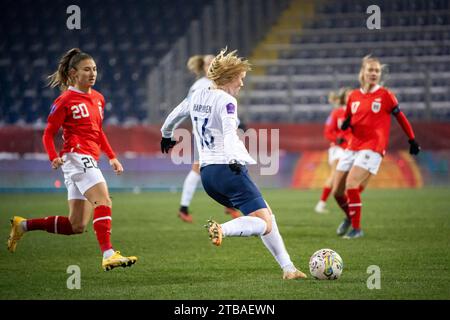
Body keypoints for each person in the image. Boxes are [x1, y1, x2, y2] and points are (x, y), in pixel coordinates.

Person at [160, 48, 307, 280]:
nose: (242, 84)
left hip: (208, 176)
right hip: (228, 169)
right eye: (240, 78)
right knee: (264, 223)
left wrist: (166, 134)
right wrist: (232, 158)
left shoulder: (197, 94)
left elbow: (175, 114)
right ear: (229, 78)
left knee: (267, 216)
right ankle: (222, 229)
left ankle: (288, 269)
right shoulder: (227, 101)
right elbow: (229, 132)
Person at [7, 48, 137, 271]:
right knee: (104, 201)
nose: (93, 73)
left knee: (76, 225)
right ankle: (108, 254)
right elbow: (48, 133)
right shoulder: (65, 100)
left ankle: (23, 225)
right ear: (74, 73)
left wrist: (112, 157)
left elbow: (98, 131)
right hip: (76, 157)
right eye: (87, 69)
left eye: (95, 69)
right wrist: (53, 156)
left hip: (89, 158)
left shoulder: (98, 99)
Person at [332, 55, 421, 239]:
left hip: (373, 147)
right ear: (363, 73)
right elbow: (348, 118)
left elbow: (401, 118)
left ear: (380, 74)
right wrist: (346, 126)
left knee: (352, 184)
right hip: (353, 146)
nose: (374, 73)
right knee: (337, 192)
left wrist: (412, 139)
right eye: (370, 70)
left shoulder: (386, 95)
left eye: (377, 70)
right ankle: (350, 217)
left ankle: (357, 229)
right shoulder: (354, 96)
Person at [178, 54, 240, 223]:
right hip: (207, 135)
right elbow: (189, 108)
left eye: (214, 62)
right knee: (199, 168)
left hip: (218, 134)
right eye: (208, 63)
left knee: (226, 164)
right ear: (203, 67)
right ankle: (183, 207)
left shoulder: (216, 84)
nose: (211, 65)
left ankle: (229, 204)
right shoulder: (201, 86)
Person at [315, 88, 352, 213]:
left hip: (351, 149)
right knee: (335, 175)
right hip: (338, 149)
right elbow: (327, 132)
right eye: (348, 95)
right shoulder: (336, 113)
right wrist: (337, 139)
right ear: (343, 98)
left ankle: (345, 202)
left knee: (345, 177)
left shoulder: (356, 112)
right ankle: (321, 204)